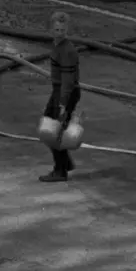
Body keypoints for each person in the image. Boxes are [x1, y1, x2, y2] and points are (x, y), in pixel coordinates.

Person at [38, 10, 81, 184]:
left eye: (63, 30)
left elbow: (68, 81)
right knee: (49, 128)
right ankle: (65, 163)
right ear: (51, 30)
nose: (60, 33)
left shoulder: (67, 50)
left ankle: (60, 170)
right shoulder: (58, 46)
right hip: (59, 90)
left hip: (65, 93)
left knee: (52, 130)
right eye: (57, 30)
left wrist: (63, 104)